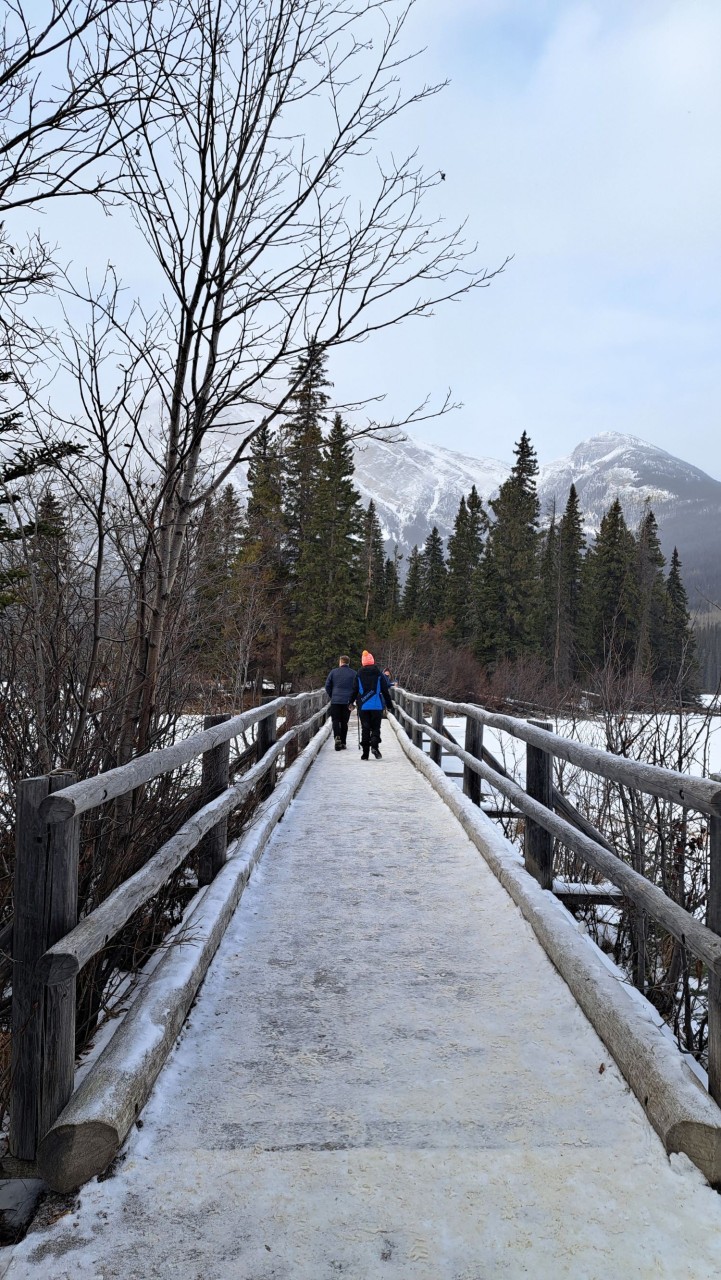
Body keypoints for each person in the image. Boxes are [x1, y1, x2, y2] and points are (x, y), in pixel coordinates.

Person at [351, 650, 393, 760]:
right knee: (375, 727)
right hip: (376, 705)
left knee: (365, 728)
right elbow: (385, 690)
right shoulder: (379, 674)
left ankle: (365, 754)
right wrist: (389, 704)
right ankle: (374, 746)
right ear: (372, 661)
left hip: (363, 705)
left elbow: (355, 690)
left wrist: (350, 702)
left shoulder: (358, 674)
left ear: (363, 662)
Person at [324, 654, 356, 750]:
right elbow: (356, 688)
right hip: (347, 701)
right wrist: (353, 699)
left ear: (341, 662)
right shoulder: (354, 673)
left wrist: (332, 695)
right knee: (344, 722)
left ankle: (337, 737)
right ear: (348, 663)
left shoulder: (333, 672)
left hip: (336, 700)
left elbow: (327, 686)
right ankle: (343, 742)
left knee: (335, 720)